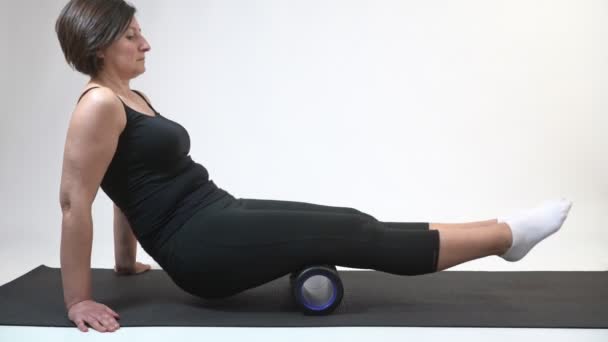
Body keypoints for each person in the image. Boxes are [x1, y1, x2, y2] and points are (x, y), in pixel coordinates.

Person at [55, 0, 573, 334]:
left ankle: (502, 231)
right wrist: (78, 299)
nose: (145, 43)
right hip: (198, 247)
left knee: (351, 219)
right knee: (351, 232)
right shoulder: (98, 104)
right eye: (131, 36)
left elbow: (125, 186)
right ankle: (506, 238)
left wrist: (126, 264)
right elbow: (77, 201)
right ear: (99, 46)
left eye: (141, 32)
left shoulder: (128, 96)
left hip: (214, 213)